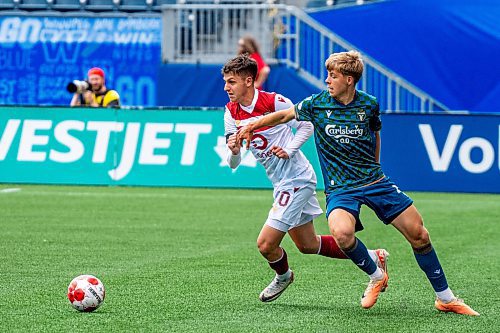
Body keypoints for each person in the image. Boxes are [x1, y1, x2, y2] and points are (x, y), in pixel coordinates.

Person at [236, 51, 479, 315]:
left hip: (375, 181)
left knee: (419, 234)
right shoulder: (316, 104)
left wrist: (376, 168)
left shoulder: (369, 104)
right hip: (341, 189)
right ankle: (376, 275)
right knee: (342, 233)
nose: (327, 80)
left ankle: (445, 298)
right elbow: (283, 117)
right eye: (328, 74)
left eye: (333, 75)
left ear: (349, 80)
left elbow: (375, 133)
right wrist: (252, 126)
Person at [222, 54, 388, 302]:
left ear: (248, 81)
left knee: (266, 244)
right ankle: (375, 256)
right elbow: (233, 162)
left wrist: (289, 149)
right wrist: (234, 151)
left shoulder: (274, 101)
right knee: (307, 245)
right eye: (225, 82)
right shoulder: (230, 112)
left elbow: (307, 124)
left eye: (231, 82)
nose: (226, 87)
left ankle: (284, 276)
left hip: (297, 178)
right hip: (280, 182)